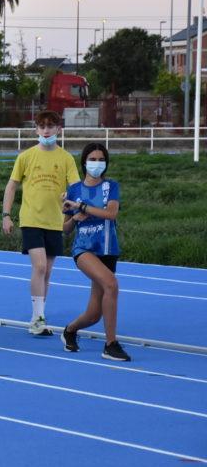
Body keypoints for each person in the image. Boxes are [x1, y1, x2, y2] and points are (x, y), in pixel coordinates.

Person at [2, 110, 80, 336]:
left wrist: (70, 198)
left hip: (54, 221)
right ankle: (36, 318)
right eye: (42, 126)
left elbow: (75, 188)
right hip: (31, 219)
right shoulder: (26, 157)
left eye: (51, 126)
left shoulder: (66, 158)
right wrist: (6, 215)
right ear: (36, 129)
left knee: (47, 272)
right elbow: (11, 186)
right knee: (39, 267)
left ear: (59, 129)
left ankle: (41, 315)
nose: (46, 130)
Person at [60, 143, 130, 361]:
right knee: (111, 284)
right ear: (84, 161)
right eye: (93, 159)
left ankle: (70, 330)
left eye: (101, 159)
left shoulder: (111, 186)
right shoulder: (74, 190)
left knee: (93, 314)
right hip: (84, 250)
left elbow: (111, 213)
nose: (97, 163)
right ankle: (110, 344)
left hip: (108, 249)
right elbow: (65, 229)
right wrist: (74, 218)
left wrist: (81, 208)